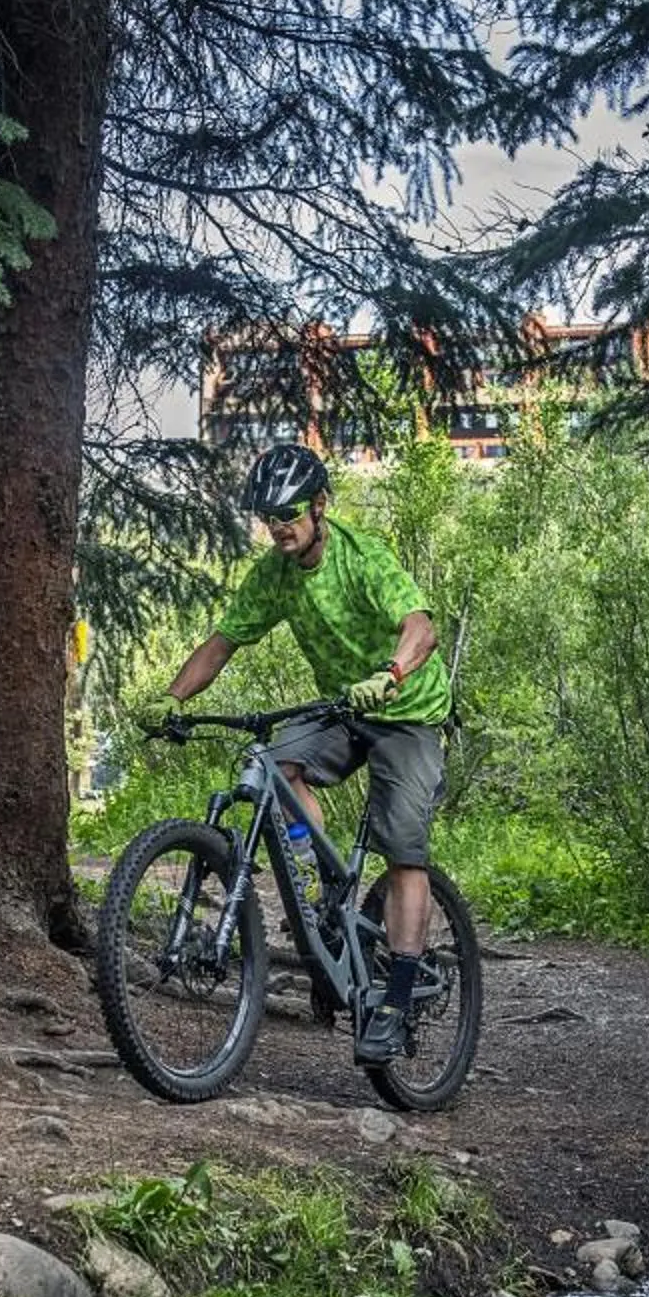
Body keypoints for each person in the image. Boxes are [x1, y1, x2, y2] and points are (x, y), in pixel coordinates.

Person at [150, 443, 448, 1065]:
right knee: (270, 767)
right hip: (343, 709)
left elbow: (422, 627)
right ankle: (327, 888)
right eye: (267, 516)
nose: (278, 526)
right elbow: (222, 643)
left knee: (402, 847)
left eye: (287, 513)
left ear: (319, 506)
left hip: (406, 710)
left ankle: (394, 1000)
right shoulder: (275, 574)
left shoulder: (363, 558)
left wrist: (391, 674)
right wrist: (172, 699)